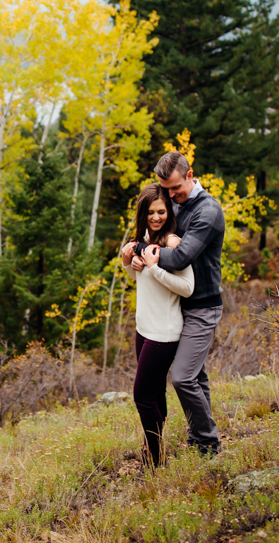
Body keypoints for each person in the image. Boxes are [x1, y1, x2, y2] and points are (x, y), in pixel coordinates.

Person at [130, 151, 225, 456]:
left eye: (175, 188)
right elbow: (155, 223)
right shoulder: (174, 201)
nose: (171, 196)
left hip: (202, 306)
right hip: (178, 304)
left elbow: (182, 256)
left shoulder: (207, 211)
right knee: (196, 375)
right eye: (166, 189)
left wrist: (143, 250)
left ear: (190, 174)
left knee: (183, 376)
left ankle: (208, 443)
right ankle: (199, 437)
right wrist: (132, 251)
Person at [121, 183, 194, 467]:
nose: (156, 217)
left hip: (164, 332)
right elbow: (142, 284)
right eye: (150, 212)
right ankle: (155, 446)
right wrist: (130, 264)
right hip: (144, 329)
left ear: (169, 211)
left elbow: (187, 287)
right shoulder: (144, 239)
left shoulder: (173, 242)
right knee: (155, 393)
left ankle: (154, 457)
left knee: (142, 396)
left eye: (161, 211)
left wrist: (154, 267)